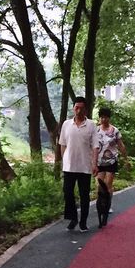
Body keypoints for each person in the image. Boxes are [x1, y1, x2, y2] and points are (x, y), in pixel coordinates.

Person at [58, 97, 98, 231]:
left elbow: (95, 147)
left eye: (81, 108)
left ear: (86, 109)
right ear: (73, 108)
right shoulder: (66, 124)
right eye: (76, 107)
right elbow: (62, 144)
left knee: (84, 195)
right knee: (68, 193)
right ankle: (73, 218)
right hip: (69, 166)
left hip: (85, 166)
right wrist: (64, 160)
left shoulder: (91, 125)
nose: (78, 110)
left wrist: (94, 164)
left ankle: (83, 221)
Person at [94, 105, 130, 228]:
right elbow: (91, 146)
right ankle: (100, 203)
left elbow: (121, 145)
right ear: (99, 118)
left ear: (109, 118)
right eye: (101, 117)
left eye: (106, 117)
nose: (103, 120)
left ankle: (107, 205)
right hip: (99, 161)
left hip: (111, 161)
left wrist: (126, 159)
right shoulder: (96, 131)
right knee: (99, 184)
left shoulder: (115, 131)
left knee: (108, 184)